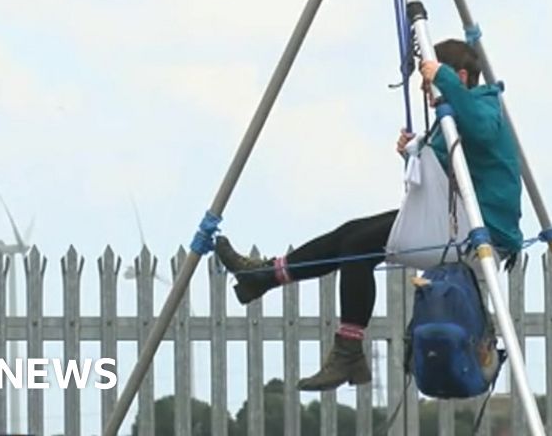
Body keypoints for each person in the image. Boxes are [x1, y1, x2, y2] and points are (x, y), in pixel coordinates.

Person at [215, 38, 523, 391]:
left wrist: (445, 81)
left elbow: (481, 131)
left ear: (462, 76)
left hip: (480, 234)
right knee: (351, 235)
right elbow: (445, 171)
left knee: (360, 245)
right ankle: (267, 276)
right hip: (458, 223)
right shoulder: (454, 115)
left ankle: (346, 351)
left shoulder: (485, 106)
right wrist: (413, 154)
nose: (427, 91)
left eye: (431, 82)